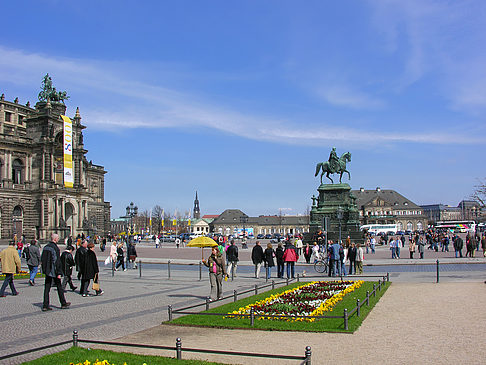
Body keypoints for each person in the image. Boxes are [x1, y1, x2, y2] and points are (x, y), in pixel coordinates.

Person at [41, 233, 70, 311]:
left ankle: (45, 305)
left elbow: (42, 259)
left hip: (47, 271)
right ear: (55, 239)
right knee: (59, 287)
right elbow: (57, 261)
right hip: (54, 271)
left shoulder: (46, 247)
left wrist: (44, 269)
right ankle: (63, 303)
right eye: (57, 238)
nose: (58, 239)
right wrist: (59, 273)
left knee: (47, 288)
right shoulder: (55, 248)